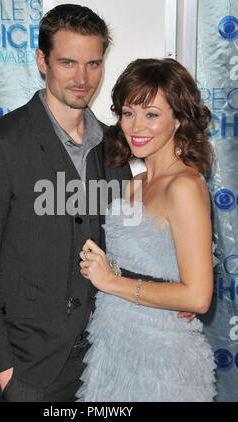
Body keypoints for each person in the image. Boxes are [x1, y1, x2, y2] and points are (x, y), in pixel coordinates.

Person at [0, 4, 133, 402]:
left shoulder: (116, 149)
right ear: (41, 61)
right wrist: (4, 375)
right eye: (68, 62)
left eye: (93, 63)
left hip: (109, 364)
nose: (83, 78)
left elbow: (126, 248)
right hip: (31, 374)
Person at [76, 58, 217, 402]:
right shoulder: (134, 183)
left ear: (178, 119)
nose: (136, 125)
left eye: (151, 114)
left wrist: (111, 281)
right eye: (128, 112)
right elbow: (152, 262)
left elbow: (198, 297)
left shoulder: (184, 186)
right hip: (114, 347)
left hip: (161, 362)